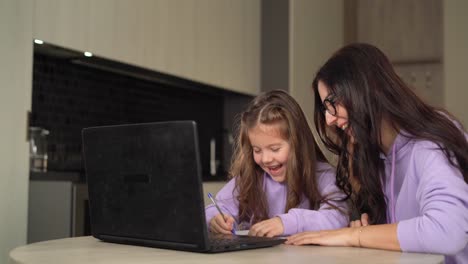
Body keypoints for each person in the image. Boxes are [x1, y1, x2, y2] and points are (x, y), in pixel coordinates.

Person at [286, 43, 468, 264]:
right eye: (325, 108)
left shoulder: (427, 143)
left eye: (332, 103)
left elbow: (447, 231)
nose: (329, 120)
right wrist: (373, 232)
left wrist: (355, 236)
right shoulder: (376, 155)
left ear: (366, 89)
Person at [205, 89, 348, 237]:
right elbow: (217, 207)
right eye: (257, 150)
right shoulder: (252, 176)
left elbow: (338, 217)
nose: (266, 159)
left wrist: (287, 222)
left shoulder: (323, 175)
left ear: (298, 144)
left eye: (274, 149)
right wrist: (215, 219)